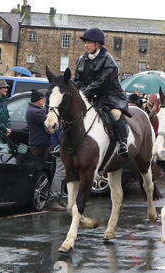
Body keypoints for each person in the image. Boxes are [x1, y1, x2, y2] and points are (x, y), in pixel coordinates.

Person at [74, 27, 131, 157]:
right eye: (85, 42)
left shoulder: (109, 61)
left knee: (116, 114)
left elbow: (101, 82)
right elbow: (77, 80)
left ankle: (123, 142)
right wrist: (82, 92)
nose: (86, 45)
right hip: (90, 95)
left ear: (98, 44)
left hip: (110, 96)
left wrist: (85, 93)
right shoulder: (81, 60)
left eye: (89, 42)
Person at [26, 89, 51, 160]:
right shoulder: (36, 112)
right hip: (39, 143)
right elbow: (48, 122)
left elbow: (43, 110)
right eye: (43, 99)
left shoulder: (31, 109)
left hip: (36, 142)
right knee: (39, 163)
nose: (44, 101)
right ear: (38, 100)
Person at [48, 128, 67, 210]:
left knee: (62, 172)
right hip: (60, 146)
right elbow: (61, 135)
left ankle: (58, 197)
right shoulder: (58, 121)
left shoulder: (57, 119)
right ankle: (54, 198)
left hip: (59, 146)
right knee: (60, 173)